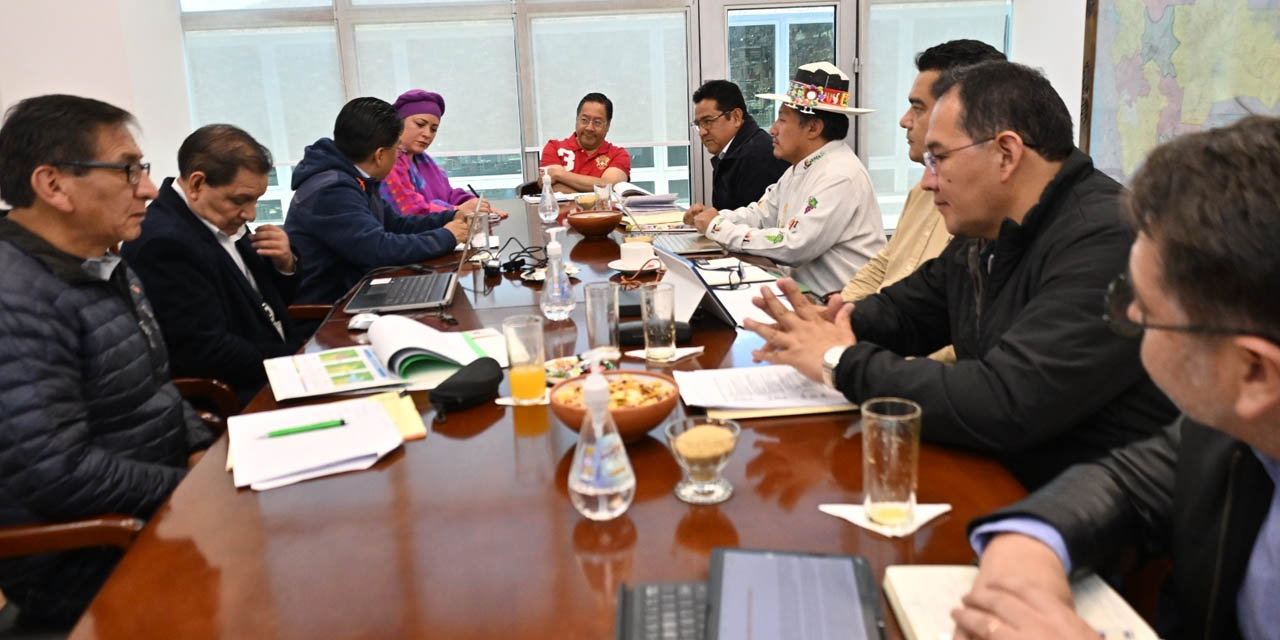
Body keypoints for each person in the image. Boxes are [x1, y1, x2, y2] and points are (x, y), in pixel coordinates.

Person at [742, 61, 1177, 489]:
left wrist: (839, 360)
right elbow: (913, 308)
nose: (928, 182)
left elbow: (1007, 400)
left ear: (1006, 154)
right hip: (995, 472)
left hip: (1077, 510)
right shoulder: (991, 226)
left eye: (939, 158)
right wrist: (834, 323)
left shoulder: (1104, 239)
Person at [952, 115, 1280, 640]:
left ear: (1254, 372)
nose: (1126, 319)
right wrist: (1028, 545)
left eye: (1144, 308)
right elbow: (1128, 483)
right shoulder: (1235, 428)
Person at [0, 94, 214, 630]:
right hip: (92, 549)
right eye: (127, 170)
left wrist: (200, 451)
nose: (146, 187)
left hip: (157, 504)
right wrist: (191, 488)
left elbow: (157, 387)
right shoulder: (15, 298)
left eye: (141, 168)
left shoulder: (105, 262)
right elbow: (57, 473)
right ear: (53, 185)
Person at [841, 39, 1005, 364]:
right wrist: (837, 317)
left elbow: (968, 340)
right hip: (886, 348)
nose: (904, 120)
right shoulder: (921, 190)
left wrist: (868, 363)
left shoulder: (989, 212)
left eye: (918, 107)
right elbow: (885, 266)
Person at [121, 124, 306, 407]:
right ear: (197, 184)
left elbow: (266, 302)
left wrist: (285, 263)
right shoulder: (164, 243)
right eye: (241, 200)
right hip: (244, 392)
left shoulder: (220, 217)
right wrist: (300, 360)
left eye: (256, 200)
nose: (250, 213)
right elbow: (206, 351)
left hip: (279, 367)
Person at [684, 62, 885, 296]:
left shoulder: (839, 175)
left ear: (813, 128)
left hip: (842, 309)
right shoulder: (801, 167)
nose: (772, 129)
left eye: (782, 119)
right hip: (807, 299)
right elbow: (760, 215)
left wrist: (718, 227)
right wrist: (712, 218)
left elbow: (795, 244)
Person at [285, 97, 470, 304]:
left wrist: (449, 216)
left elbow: (396, 224)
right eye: (396, 150)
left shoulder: (357, 178)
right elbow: (378, 250)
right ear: (380, 155)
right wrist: (447, 237)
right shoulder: (333, 189)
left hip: (359, 292)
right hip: (329, 310)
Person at [380, 89, 507, 219]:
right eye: (420, 124)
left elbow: (448, 194)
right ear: (398, 123)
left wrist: (476, 204)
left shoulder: (424, 161)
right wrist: (457, 210)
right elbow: (409, 210)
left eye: (433, 129)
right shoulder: (387, 161)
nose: (427, 134)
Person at [690, 79, 790, 210]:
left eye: (708, 121)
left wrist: (715, 222)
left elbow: (756, 222)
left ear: (736, 117)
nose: (702, 132)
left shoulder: (758, 156)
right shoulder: (733, 152)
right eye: (698, 125)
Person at [539, 93, 630, 193]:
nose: (589, 128)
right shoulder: (554, 148)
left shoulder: (619, 155)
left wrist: (559, 175)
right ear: (576, 120)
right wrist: (595, 192)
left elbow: (608, 186)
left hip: (605, 209)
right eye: (584, 120)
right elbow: (552, 188)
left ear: (608, 126)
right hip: (563, 209)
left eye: (597, 122)